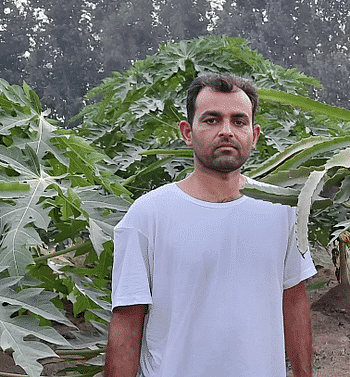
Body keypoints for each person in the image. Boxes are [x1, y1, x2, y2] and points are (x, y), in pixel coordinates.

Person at [105, 74, 316, 377]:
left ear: (254, 135)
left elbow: (294, 303)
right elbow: (127, 322)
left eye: (239, 121)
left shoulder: (280, 210)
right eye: (212, 120)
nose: (227, 131)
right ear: (187, 132)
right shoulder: (147, 216)